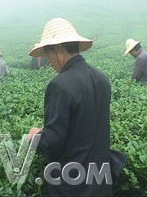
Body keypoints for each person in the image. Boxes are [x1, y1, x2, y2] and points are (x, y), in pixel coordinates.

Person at [28, 18, 113, 196]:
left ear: (58, 48)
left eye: (47, 54)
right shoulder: (101, 77)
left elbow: (52, 145)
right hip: (101, 181)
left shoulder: (60, 85)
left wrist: (35, 136)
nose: (48, 61)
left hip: (72, 185)